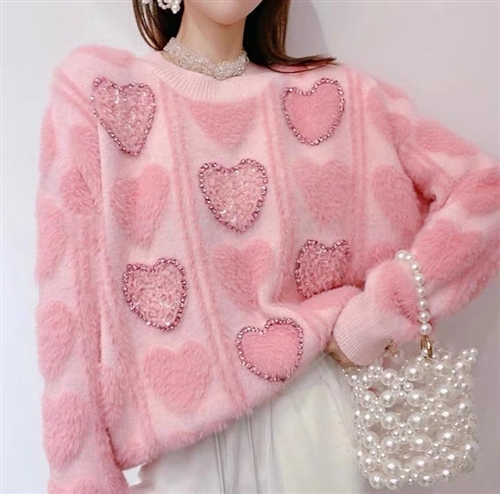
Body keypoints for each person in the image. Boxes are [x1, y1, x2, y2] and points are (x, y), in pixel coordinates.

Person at [34, 0, 500, 493]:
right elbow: (68, 306)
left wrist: (377, 317)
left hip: (317, 427)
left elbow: (483, 193)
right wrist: (81, 481)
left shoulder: (339, 98)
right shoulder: (102, 94)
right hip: (184, 455)